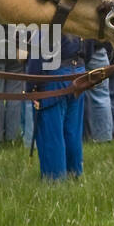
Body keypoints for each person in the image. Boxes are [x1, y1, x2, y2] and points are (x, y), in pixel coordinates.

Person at [30, 32, 86, 178]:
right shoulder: (79, 15)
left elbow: (37, 55)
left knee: (51, 131)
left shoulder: (48, 19)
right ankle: (74, 173)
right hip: (79, 71)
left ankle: (54, 179)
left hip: (54, 75)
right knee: (73, 130)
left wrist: (32, 86)